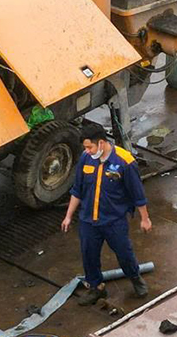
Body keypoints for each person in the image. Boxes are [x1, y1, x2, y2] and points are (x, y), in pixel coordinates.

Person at [61, 122, 151, 303]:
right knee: (89, 255)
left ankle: (135, 279)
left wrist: (145, 218)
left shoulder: (125, 162)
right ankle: (96, 287)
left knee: (124, 253)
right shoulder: (86, 159)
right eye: (85, 147)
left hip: (114, 221)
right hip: (88, 220)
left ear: (101, 143)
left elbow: (137, 194)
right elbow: (77, 190)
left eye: (89, 147)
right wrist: (69, 216)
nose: (87, 150)